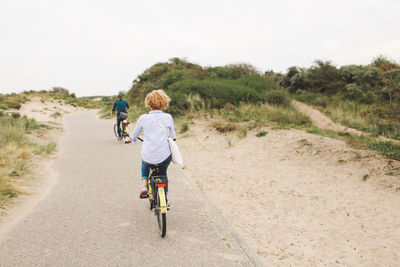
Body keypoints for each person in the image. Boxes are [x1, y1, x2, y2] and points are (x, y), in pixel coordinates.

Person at [129, 89, 176, 207]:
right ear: (164, 103)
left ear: (148, 103)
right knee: (163, 173)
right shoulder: (168, 117)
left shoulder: (143, 118)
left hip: (149, 155)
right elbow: (173, 136)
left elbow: (134, 135)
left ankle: (144, 186)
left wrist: (131, 139)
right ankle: (165, 198)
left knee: (145, 163)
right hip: (164, 156)